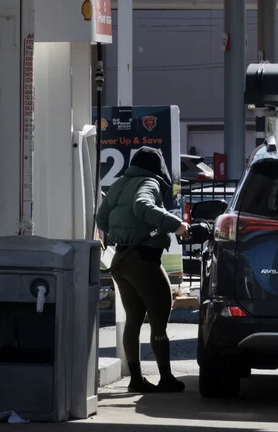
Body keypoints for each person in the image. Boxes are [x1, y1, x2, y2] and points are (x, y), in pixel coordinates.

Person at [96, 146, 190, 393]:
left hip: (121, 259)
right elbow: (142, 206)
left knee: (133, 320)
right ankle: (166, 378)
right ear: (157, 167)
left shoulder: (119, 184)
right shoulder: (150, 181)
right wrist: (176, 224)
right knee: (159, 318)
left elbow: (102, 219)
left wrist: (122, 232)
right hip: (144, 258)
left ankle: (136, 379)